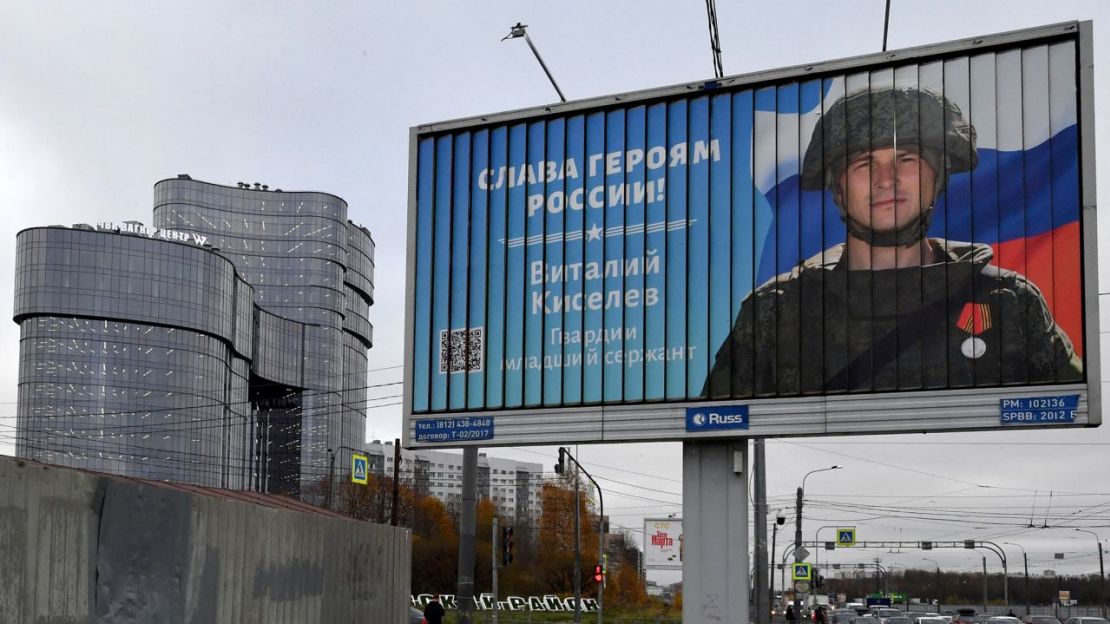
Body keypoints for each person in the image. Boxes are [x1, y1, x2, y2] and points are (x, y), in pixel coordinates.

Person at [704, 86, 1082, 397]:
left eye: (906, 159)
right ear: (838, 188)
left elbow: (1069, 411)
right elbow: (714, 422)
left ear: (937, 177)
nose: (886, 179)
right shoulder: (776, 312)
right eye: (863, 164)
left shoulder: (1008, 303)